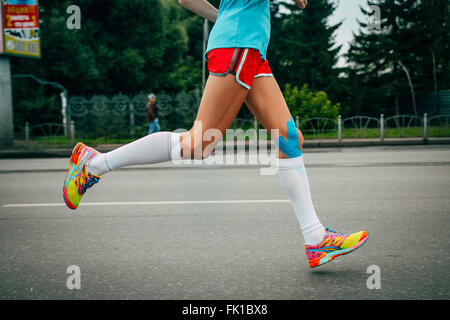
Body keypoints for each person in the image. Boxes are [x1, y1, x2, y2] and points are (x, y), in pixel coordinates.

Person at [63, 0, 368, 268]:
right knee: (198, 144)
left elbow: (187, 0)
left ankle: (315, 239)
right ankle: (94, 163)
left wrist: (223, 17)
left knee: (289, 138)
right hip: (237, 47)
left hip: (251, 50)